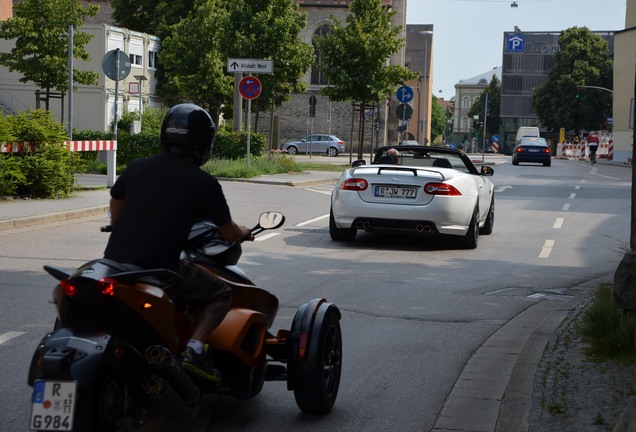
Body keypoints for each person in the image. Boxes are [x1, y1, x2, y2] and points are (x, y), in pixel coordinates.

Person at [103, 103, 254, 382]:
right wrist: (244, 231)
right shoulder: (203, 183)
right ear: (203, 143)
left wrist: (116, 223)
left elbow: (116, 200)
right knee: (220, 293)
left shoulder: (137, 167)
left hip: (113, 265)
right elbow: (230, 233)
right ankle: (195, 350)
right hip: (160, 269)